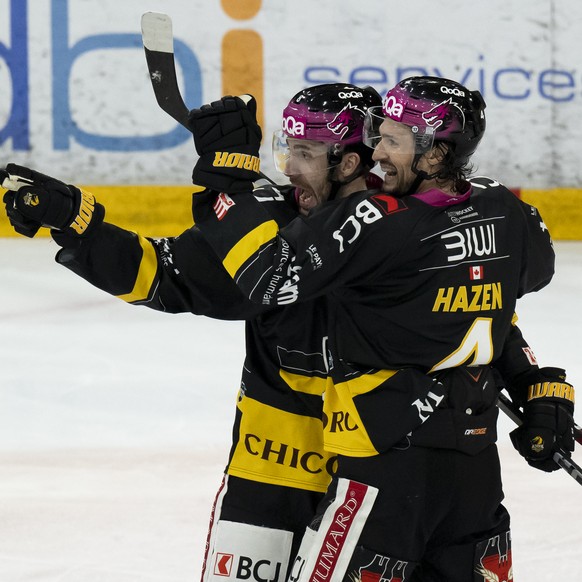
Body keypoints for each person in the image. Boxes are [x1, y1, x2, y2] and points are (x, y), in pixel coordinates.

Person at [182, 76, 576, 581]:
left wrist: (226, 182)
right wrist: (539, 386)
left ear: (434, 155)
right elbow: (497, 307)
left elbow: (271, 277)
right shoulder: (506, 210)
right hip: (474, 466)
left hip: (383, 462)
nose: (376, 152)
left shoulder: (379, 220)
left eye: (392, 140)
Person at [1, 84, 384, 581]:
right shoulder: (267, 222)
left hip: (373, 474)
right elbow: (165, 274)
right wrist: (77, 224)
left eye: (306, 153)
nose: (289, 167)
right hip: (268, 468)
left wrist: (522, 386)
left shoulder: (404, 231)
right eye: (287, 149)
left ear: (350, 163)